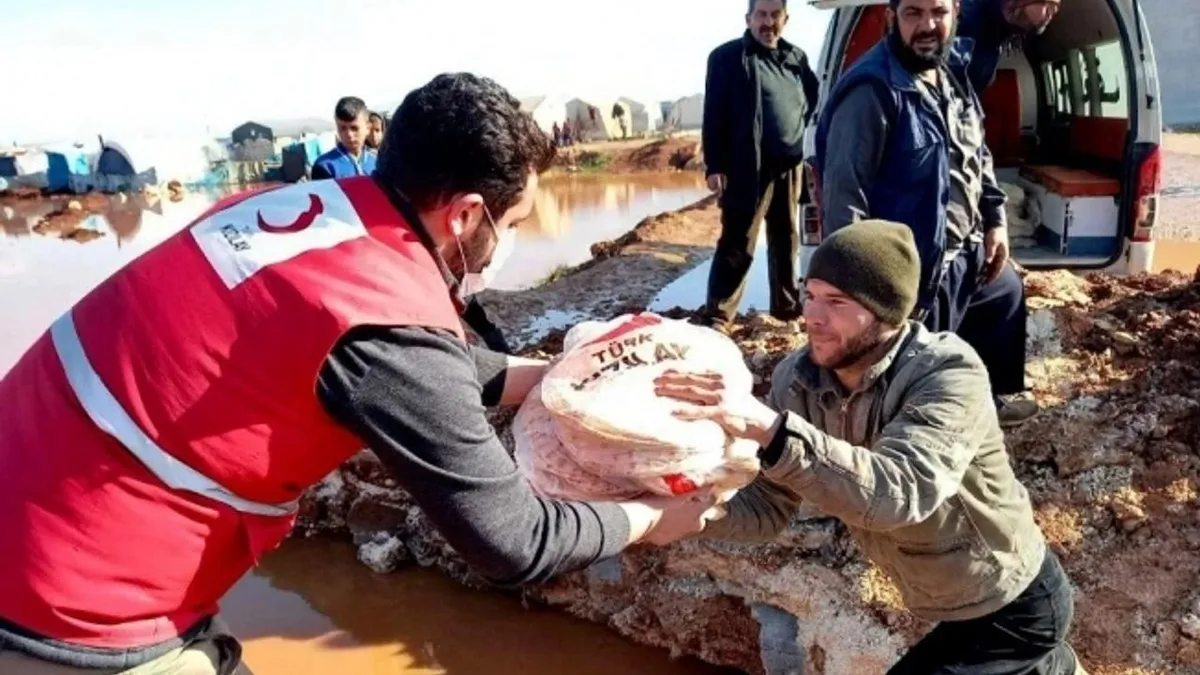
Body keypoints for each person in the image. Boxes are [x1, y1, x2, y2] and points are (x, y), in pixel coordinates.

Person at [0, 72, 719, 675]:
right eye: (519, 222)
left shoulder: (298, 214)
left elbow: (419, 366)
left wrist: (564, 372)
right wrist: (652, 520)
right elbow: (513, 540)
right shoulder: (389, 319)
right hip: (78, 597)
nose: (517, 238)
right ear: (468, 215)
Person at [655, 219, 1087, 675]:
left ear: (884, 310)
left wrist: (769, 430)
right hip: (956, 606)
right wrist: (686, 508)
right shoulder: (797, 380)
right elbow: (769, 506)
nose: (813, 317)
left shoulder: (947, 372)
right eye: (810, 295)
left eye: (836, 302)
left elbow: (901, 493)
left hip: (1017, 603)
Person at [813, 0, 1038, 426]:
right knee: (912, 370)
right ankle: (912, 431)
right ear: (891, 18)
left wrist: (994, 219)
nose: (927, 26)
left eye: (938, 12)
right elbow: (844, 197)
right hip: (914, 266)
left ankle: (986, 404)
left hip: (963, 247)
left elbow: (978, 148)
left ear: (956, 13)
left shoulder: (952, 71)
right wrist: (859, 291)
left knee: (1005, 294)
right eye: (913, 13)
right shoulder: (872, 90)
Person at [700, 0, 819, 332]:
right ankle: (718, 315)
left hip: (790, 167)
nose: (768, 23)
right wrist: (714, 165)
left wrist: (800, 139)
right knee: (739, 239)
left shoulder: (796, 58)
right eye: (762, 15)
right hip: (746, 167)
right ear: (749, 19)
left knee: (787, 238)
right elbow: (714, 113)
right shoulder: (727, 58)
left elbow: (813, 98)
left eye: (775, 15)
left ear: (786, 19)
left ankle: (785, 308)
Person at [959, 0, 1061, 92]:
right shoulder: (967, 12)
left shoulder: (999, 41)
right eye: (1049, 8)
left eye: (1053, 12)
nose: (1049, 17)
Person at [310, 96, 378, 179]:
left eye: (354, 128)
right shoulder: (325, 166)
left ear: (368, 128)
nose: (349, 134)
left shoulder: (378, 162)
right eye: (343, 128)